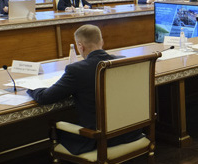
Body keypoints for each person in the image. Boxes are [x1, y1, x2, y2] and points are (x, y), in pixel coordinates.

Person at [27, 25, 144, 155]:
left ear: (80, 46)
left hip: (98, 138)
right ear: (102, 41)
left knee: (57, 130)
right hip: (130, 131)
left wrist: (30, 88)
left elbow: (45, 97)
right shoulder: (123, 61)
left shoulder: (76, 70)